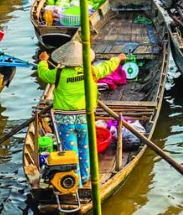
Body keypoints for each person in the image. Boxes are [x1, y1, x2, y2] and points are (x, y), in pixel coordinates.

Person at [37, 41, 125, 187]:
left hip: (64, 121)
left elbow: (43, 74)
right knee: (85, 148)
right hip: (85, 118)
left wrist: (43, 61)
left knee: (70, 151)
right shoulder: (91, 71)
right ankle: (84, 176)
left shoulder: (58, 74)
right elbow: (107, 66)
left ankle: (75, 181)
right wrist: (118, 58)